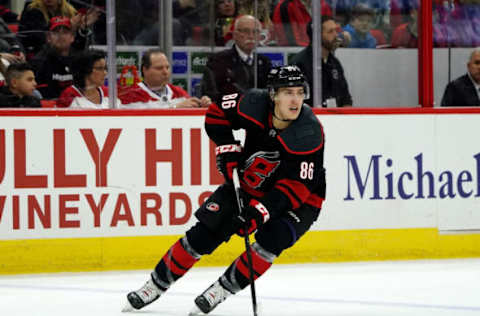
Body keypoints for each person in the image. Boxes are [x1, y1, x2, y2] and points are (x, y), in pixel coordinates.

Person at [122, 65, 326, 315]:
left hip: (301, 199)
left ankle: (221, 290)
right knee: (203, 234)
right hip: (250, 182)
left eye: (299, 92)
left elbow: (296, 188)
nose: (295, 100)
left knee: (271, 241)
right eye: (287, 93)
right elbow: (217, 112)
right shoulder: (252, 103)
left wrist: (258, 214)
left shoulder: (308, 131)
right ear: (272, 94)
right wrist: (227, 147)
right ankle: (154, 285)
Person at [200, 15, 272, 104]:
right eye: (246, 31)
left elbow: (271, 94)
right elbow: (210, 95)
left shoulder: (265, 62)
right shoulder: (218, 61)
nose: (251, 36)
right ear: (235, 35)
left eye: (255, 32)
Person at [119, 49, 211, 108]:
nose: (165, 72)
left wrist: (202, 105)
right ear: (145, 70)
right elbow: (142, 116)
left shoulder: (178, 92)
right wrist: (174, 108)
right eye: (159, 68)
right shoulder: (131, 94)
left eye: (167, 67)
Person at [291, 19, 352, 107]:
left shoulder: (335, 63)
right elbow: (295, 103)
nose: (336, 35)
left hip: (336, 118)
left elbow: (346, 99)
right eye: (330, 31)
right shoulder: (299, 64)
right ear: (317, 36)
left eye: (336, 30)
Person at [18, 0, 99, 59]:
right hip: (39, 56)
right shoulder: (32, 10)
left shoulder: (70, 11)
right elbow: (39, 38)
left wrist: (83, 28)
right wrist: (69, 27)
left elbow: (78, 47)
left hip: (66, 56)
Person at [30, 16, 77, 100]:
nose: (61, 36)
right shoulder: (38, 62)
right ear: (48, 37)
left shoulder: (79, 60)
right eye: (56, 32)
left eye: (65, 32)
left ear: (72, 37)